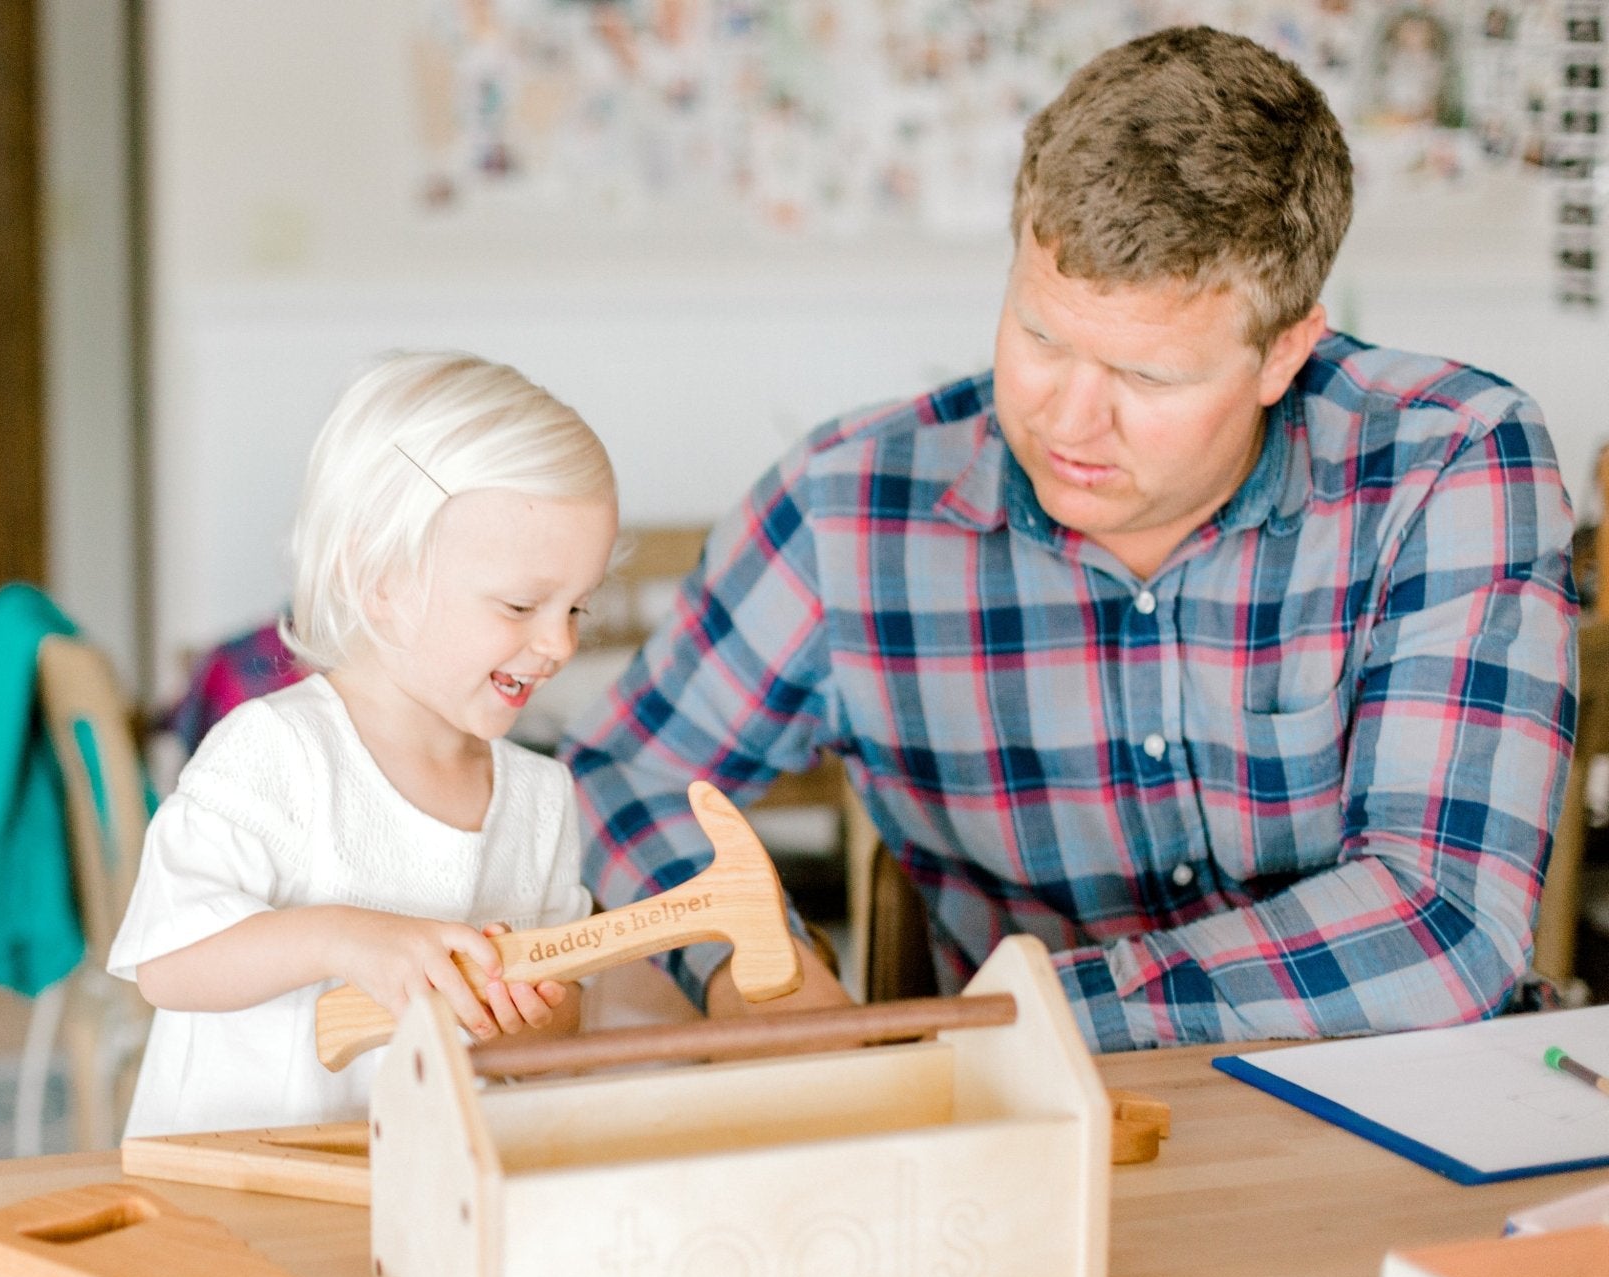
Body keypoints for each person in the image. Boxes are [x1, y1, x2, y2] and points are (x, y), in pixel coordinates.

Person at [561, 26, 1577, 1050]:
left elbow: (1442, 927)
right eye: (1040, 337)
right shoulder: (849, 506)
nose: (1067, 420)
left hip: (1406, 1117)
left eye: (1147, 377)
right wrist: (750, 963)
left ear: (1283, 354)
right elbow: (622, 775)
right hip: (1038, 1124)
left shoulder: (1446, 460)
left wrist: (1008, 1015)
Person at [112, 351, 619, 1135]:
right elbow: (168, 962)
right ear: (379, 582)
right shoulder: (276, 752)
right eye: (522, 606)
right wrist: (342, 938)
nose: (557, 644)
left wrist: (524, 1014)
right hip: (237, 1183)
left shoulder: (540, 798)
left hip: (423, 1190)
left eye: (577, 609)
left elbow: (562, 1016)